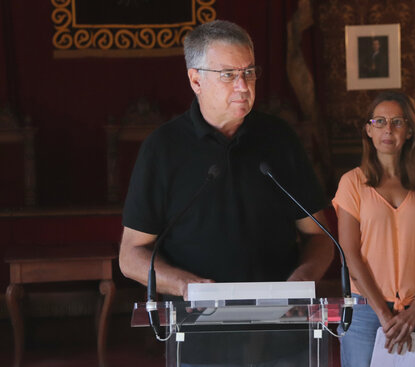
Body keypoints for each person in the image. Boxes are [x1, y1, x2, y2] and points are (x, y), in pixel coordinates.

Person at [118, 20, 334, 365]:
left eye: (249, 72)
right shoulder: (163, 148)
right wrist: (185, 285)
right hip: (199, 336)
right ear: (195, 80)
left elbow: (320, 238)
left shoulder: (279, 139)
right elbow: (130, 256)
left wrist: (301, 282)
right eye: (228, 75)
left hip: (282, 335)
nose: (243, 86)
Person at [332, 91, 415, 367]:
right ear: (368, 130)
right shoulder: (352, 183)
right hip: (366, 312)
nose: (388, 129)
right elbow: (349, 253)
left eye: (397, 122)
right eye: (380, 121)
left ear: (409, 131)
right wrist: (384, 315)